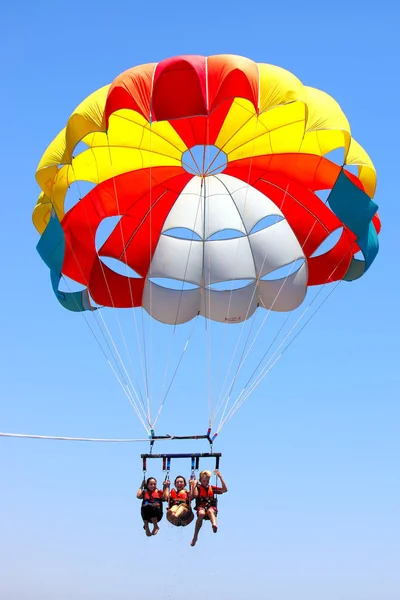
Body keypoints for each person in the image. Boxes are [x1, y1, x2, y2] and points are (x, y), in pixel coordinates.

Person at [190, 469, 227, 547]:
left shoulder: (212, 488)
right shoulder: (198, 487)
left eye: (207, 481)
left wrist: (220, 477)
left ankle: (214, 525)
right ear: (200, 480)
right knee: (201, 514)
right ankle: (195, 536)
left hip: (211, 508)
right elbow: (195, 495)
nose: (206, 483)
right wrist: (194, 485)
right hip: (201, 507)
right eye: (204, 481)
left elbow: (225, 490)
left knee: (210, 511)